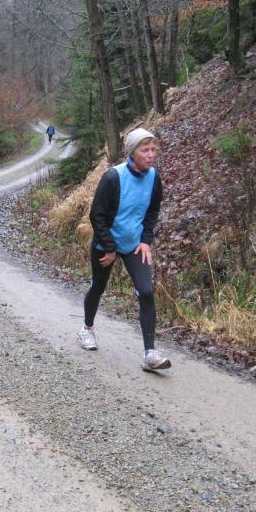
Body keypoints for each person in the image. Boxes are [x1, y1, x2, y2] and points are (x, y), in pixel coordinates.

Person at [78, 128, 170, 371]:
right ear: (132, 153)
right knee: (98, 287)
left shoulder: (154, 178)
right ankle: (87, 329)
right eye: (145, 150)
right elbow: (96, 216)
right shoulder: (113, 177)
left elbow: (152, 211)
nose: (151, 154)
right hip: (106, 241)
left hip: (134, 244)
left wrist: (146, 240)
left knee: (146, 291)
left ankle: (150, 354)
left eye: (153, 149)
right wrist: (110, 248)